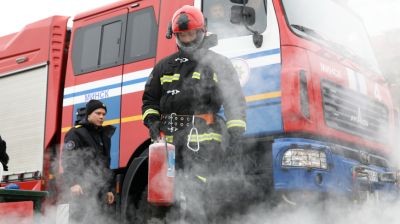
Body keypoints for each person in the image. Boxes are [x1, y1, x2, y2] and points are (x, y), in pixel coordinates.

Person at [142, 5, 246, 222]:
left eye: (191, 34)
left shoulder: (219, 64)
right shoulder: (163, 66)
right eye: (183, 35)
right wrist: (152, 121)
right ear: (176, 35)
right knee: (162, 198)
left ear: (202, 32)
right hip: (168, 144)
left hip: (204, 140)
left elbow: (234, 100)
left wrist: (235, 135)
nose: (188, 39)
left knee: (200, 198)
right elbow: (150, 100)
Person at [62, 99, 116, 223]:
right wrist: (73, 183)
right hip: (81, 188)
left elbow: (105, 165)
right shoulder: (76, 133)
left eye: (103, 114)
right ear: (89, 114)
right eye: (98, 113)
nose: (102, 117)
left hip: (100, 190)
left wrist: (109, 189)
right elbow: (68, 159)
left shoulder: (104, 136)